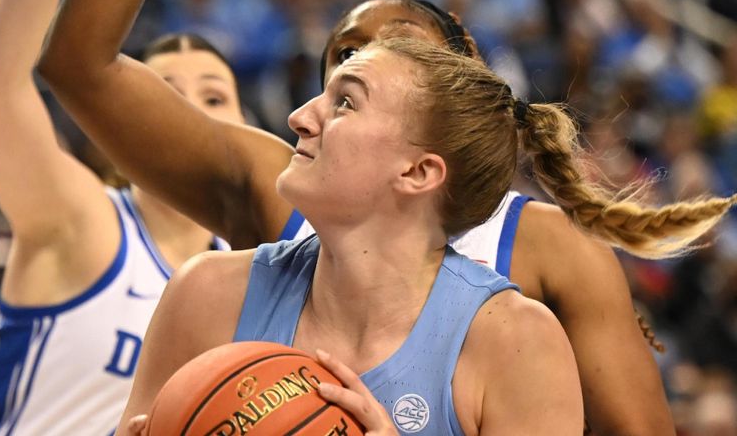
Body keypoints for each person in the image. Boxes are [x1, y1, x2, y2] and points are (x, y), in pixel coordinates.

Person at [36, 0, 736, 433]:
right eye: (339, 62)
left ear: (460, 77)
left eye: (390, 50)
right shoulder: (270, 203)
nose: (312, 107)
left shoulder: (543, 261)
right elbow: (80, 65)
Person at [122, 34, 588, 434]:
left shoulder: (515, 343)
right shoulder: (206, 293)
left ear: (418, 172)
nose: (300, 117)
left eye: (345, 102)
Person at [0, 0, 249, 434]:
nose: (188, 114)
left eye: (214, 98)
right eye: (165, 93)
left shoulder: (254, 281)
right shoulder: (82, 220)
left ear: (250, 133)